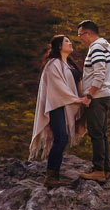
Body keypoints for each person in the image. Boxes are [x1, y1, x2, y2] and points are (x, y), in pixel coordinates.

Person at [28, 34, 82, 188]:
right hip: (56, 106)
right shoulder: (53, 65)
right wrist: (78, 100)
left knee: (61, 139)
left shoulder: (69, 64)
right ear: (59, 46)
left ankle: (53, 175)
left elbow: (77, 83)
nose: (70, 43)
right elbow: (58, 87)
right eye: (67, 41)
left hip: (64, 105)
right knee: (61, 138)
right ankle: (51, 177)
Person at [75, 19, 110, 182]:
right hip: (105, 95)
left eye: (80, 35)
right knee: (102, 133)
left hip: (97, 97)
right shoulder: (105, 46)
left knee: (96, 133)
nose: (80, 39)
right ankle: (104, 168)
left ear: (88, 33)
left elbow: (99, 73)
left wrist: (89, 95)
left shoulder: (96, 47)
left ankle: (99, 170)